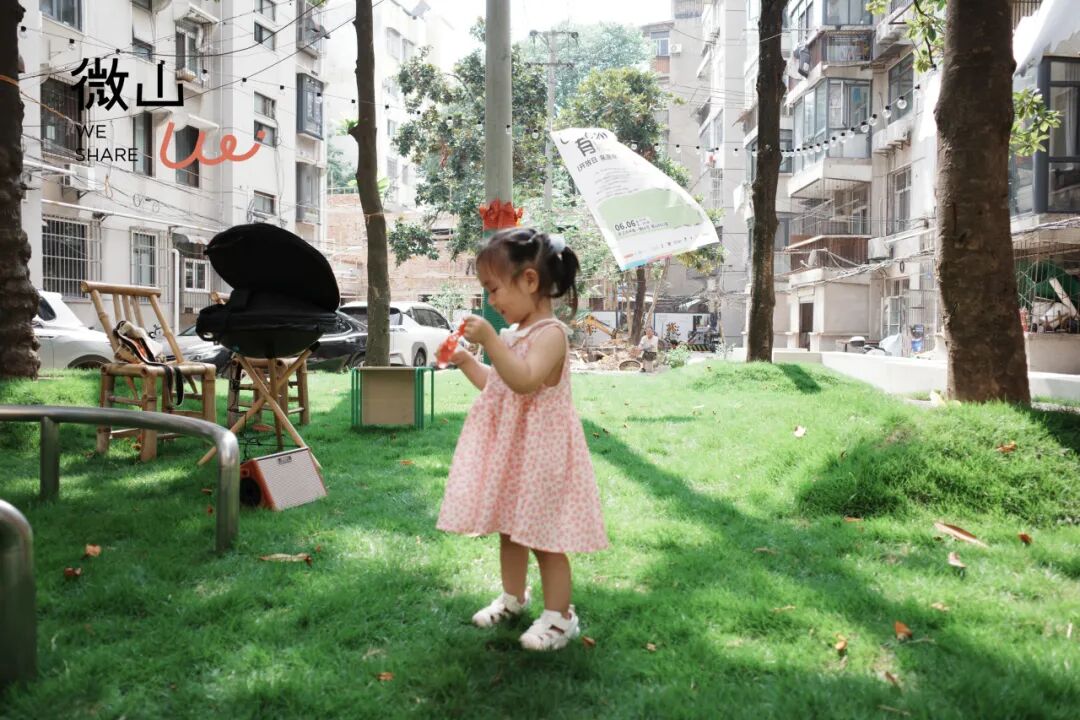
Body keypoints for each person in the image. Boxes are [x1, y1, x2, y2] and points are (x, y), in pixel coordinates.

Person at [437, 228, 608, 652]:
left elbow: (526, 380)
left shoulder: (550, 335)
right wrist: (466, 360)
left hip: (543, 454)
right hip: (515, 454)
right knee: (510, 530)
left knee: (544, 537)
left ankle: (560, 617)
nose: (490, 301)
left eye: (494, 289)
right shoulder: (514, 335)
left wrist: (490, 340)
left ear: (530, 280)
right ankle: (513, 597)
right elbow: (498, 385)